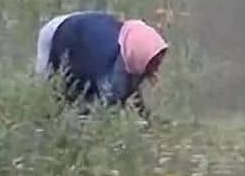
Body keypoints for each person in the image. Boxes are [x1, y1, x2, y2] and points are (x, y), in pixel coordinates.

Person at [35, 12, 167, 118]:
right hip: (57, 32)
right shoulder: (109, 67)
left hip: (84, 24)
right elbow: (104, 109)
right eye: (154, 62)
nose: (157, 67)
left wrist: (145, 117)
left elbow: (131, 88)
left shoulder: (128, 45)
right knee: (47, 99)